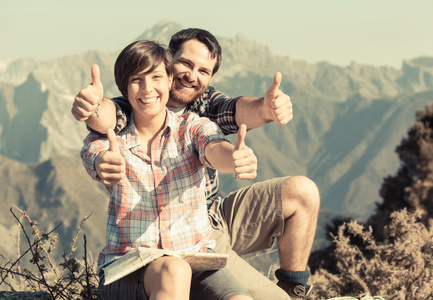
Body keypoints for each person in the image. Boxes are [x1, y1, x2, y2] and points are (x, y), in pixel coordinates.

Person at [73, 28, 320, 300]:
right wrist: (93, 110)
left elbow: (225, 127)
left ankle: (293, 290)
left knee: (302, 191)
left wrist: (264, 112)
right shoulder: (129, 112)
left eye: (203, 71)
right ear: (169, 61)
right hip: (143, 257)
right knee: (175, 270)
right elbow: (105, 119)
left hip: (206, 226)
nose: (192, 76)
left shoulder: (200, 115)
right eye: (186, 64)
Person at [81, 40, 257, 300]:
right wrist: (102, 163)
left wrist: (234, 158)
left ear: (170, 80)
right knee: (173, 270)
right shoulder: (112, 138)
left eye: (156, 77)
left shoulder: (193, 127)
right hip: (130, 267)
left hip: (195, 261)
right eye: (136, 80)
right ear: (124, 87)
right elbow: (94, 155)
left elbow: (214, 147)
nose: (148, 88)